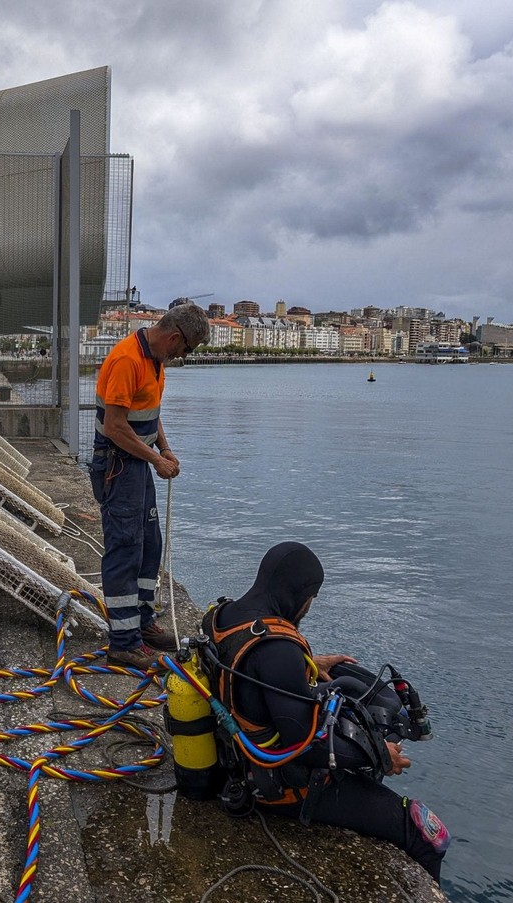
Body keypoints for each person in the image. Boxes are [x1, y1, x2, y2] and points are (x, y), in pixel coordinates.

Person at [203, 541, 450, 882]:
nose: (308, 607)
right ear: (300, 593)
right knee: (428, 835)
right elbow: (305, 745)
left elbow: (248, 671)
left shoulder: (221, 616)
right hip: (282, 785)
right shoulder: (278, 651)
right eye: (311, 599)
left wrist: (310, 663)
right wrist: (379, 756)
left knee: (346, 677)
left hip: (234, 753)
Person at [89, 302, 210, 670]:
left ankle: (142, 623)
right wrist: (156, 459)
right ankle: (123, 643)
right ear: (174, 337)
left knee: (148, 543)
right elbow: (115, 426)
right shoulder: (128, 360)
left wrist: (165, 449)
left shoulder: (155, 362)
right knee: (125, 548)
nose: (183, 356)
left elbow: (149, 415)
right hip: (118, 466)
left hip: (138, 464)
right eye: (185, 349)